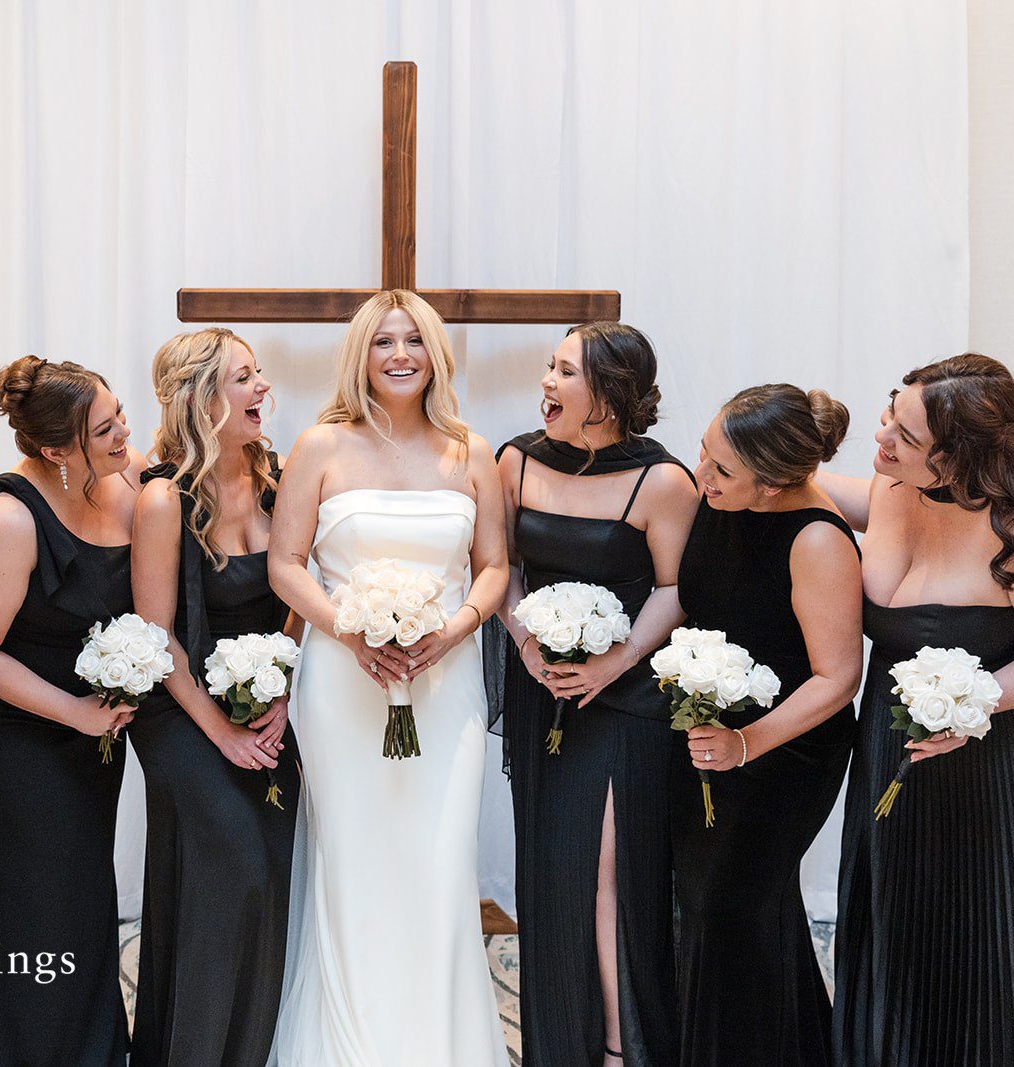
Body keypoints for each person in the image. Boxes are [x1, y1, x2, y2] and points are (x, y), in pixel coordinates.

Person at [825, 353, 1014, 1065]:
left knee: (995, 955)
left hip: (1009, 780)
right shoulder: (900, 486)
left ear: (958, 457)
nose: (882, 437)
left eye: (905, 434)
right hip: (900, 764)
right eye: (890, 414)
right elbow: (819, 490)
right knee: (905, 938)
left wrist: (976, 703)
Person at [267, 289, 510, 1066]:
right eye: (383, 342)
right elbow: (284, 564)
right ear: (360, 357)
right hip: (344, 684)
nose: (400, 354)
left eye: (413, 340)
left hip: (448, 685)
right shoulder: (320, 446)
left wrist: (454, 630)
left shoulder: (472, 451)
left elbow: (495, 567)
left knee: (440, 862)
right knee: (355, 859)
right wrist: (346, 628)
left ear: (436, 353)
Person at [491, 323, 696, 1067]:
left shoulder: (663, 481)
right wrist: (525, 642)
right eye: (550, 366)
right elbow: (504, 566)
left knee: (610, 874)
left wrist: (619, 659)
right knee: (551, 872)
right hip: (543, 688)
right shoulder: (514, 460)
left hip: (628, 698)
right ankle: (558, 1043)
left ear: (609, 395)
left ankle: (620, 1048)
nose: (546, 381)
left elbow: (676, 588)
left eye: (565, 371)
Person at [0, 357, 141, 1066]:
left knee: (83, 895)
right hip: (17, 731)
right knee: (30, 900)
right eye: (106, 428)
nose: (125, 433)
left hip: (90, 731)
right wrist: (74, 713)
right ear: (56, 449)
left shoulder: (121, 474)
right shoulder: (10, 518)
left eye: (120, 415)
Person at [671, 384, 863, 1066]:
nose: (702, 475)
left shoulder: (816, 539)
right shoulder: (720, 498)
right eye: (705, 452)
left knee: (729, 914)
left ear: (777, 483)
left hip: (788, 751)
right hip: (710, 732)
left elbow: (838, 678)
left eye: (722, 471)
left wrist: (747, 743)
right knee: (729, 910)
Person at [129, 328, 301, 1065]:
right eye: (243, 378)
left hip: (268, 706)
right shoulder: (165, 496)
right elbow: (156, 635)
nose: (262, 387)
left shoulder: (282, 478)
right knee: (235, 869)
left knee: (272, 876)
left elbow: (299, 594)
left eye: (259, 374)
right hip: (180, 711)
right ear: (201, 397)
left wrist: (284, 696)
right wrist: (221, 732)